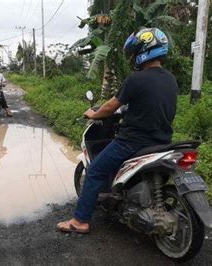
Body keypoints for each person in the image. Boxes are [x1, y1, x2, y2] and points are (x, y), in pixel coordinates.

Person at [56, 28, 178, 233]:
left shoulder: (136, 79)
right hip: (163, 141)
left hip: (132, 142)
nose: (132, 57)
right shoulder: (170, 80)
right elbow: (152, 105)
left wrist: (93, 114)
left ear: (142, 51)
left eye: (134, 52)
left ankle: (80, 221)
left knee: (94, 171)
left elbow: (111, 107)